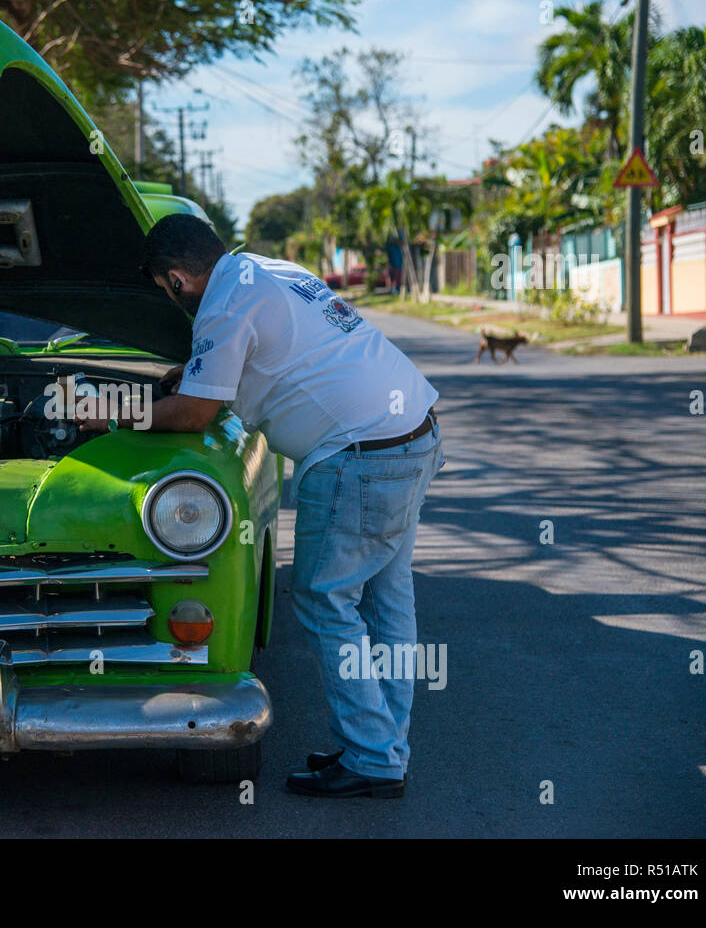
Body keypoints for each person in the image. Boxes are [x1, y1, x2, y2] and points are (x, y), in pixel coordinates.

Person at [78, 214, 443, 798]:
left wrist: (116, 413)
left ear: (176, 280)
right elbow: (267, 360)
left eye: (166, 292)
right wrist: (196, 374)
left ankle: (374, 757)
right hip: (412, 434)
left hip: (361, 459)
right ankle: (383, 748)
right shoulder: (263, 271)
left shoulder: (223, 306)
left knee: (326, 601)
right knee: (386, 604)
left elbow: (196, 414)